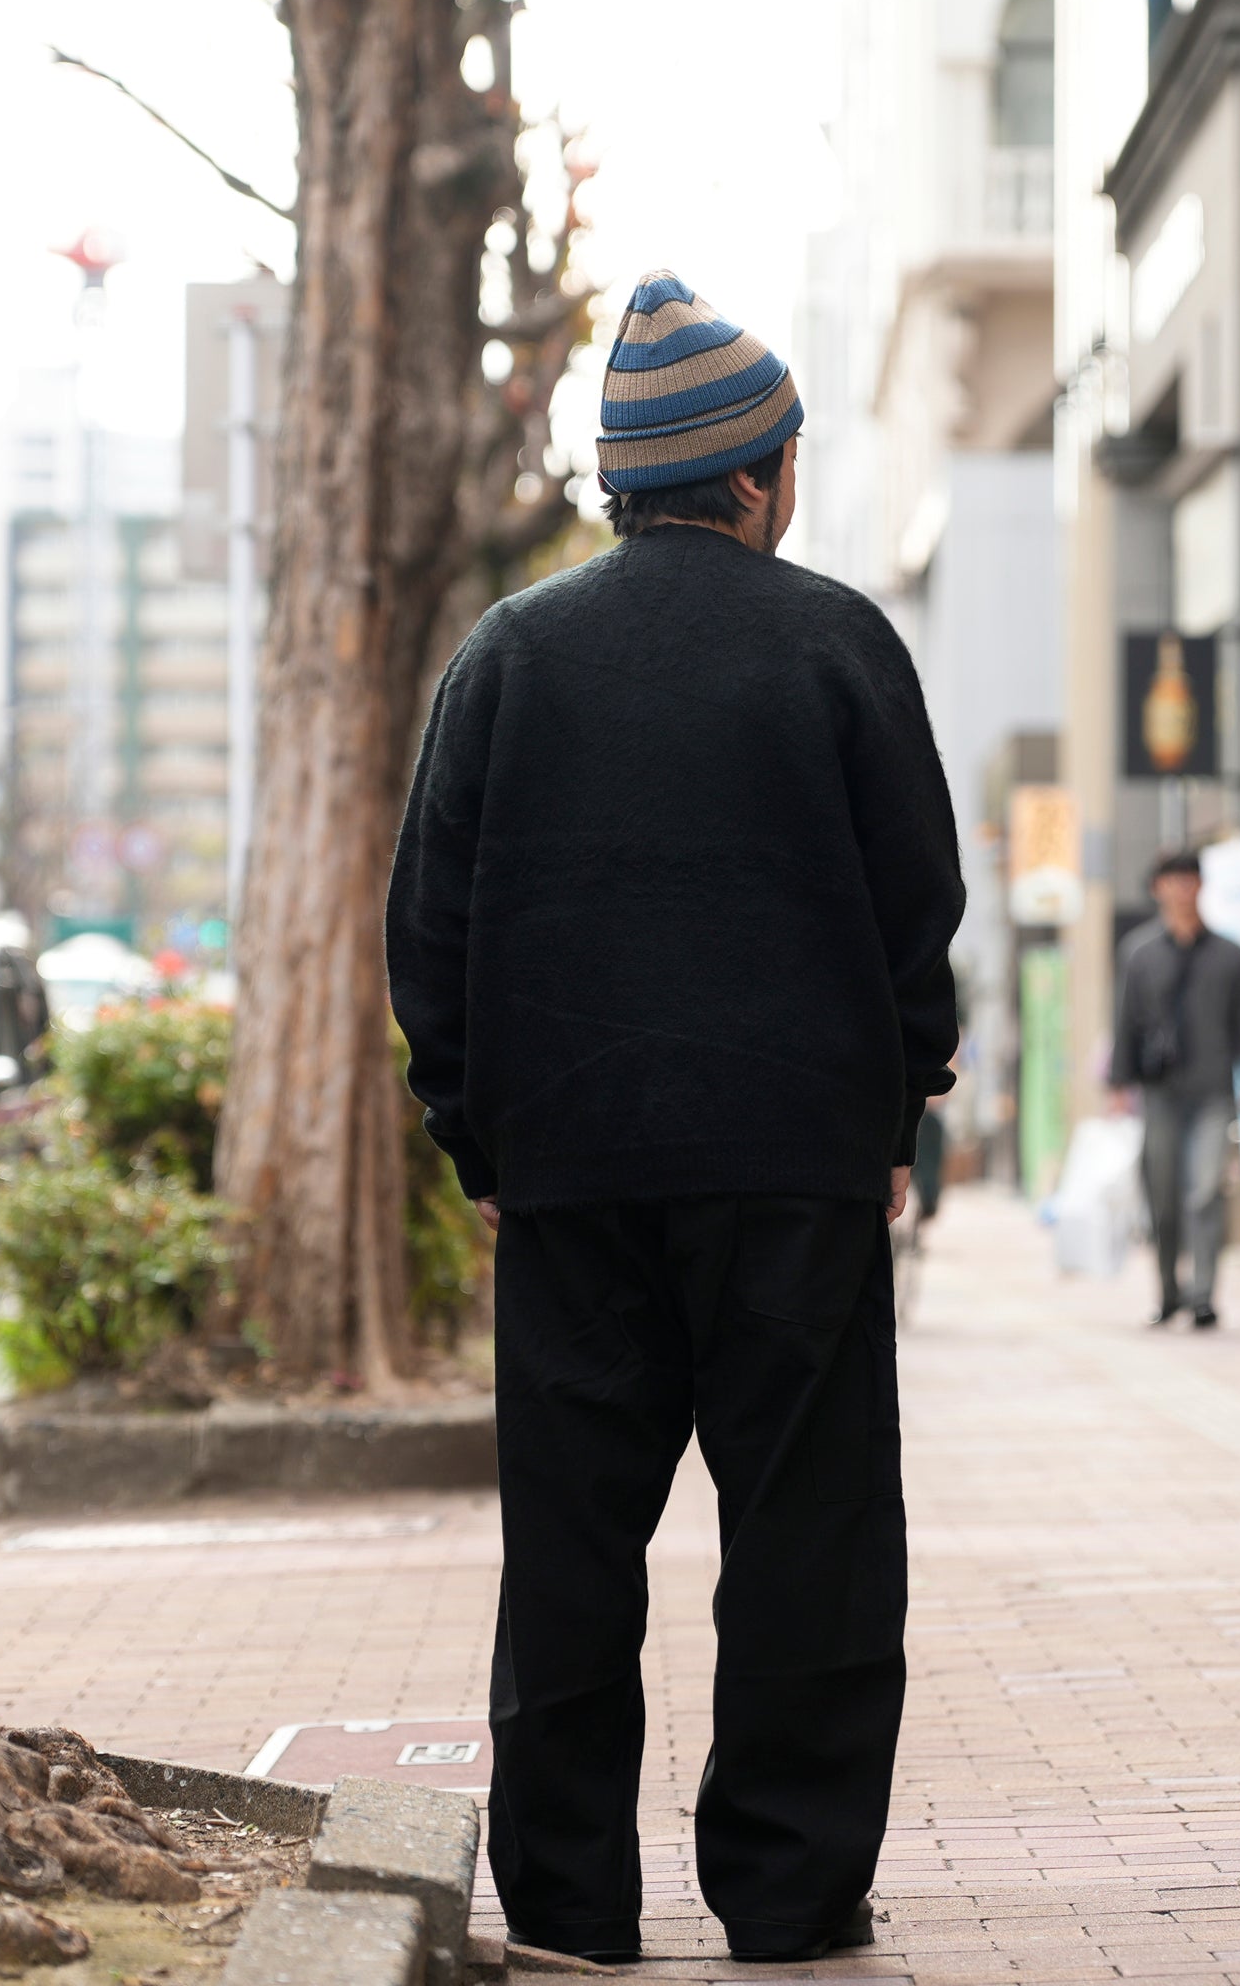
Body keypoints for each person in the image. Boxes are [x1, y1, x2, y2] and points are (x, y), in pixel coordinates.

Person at [386, 272, 965, 1968]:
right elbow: (909, 910)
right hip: (791, 1171)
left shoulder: (508, 654)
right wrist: (893, 1110)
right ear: (758, 472)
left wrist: (478, 1136)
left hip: (571, 1175)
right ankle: (788, 1892)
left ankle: (570, 1901)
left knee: (572, 1543)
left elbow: (431, 928)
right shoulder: (838, 642)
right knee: (809, 1538)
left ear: (620, 483)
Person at [1108, 849, 1240, 1330]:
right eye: (1172, 880)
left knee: (1204, 1190)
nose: (1182, 888)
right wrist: (1119, 1083)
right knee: (1161, 1195)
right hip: (1159, 1092)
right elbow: (1126, 1022)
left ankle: (1203, 1295)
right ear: (1157, 888)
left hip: (1213, 1090)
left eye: (1190, 879)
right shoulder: (1139, 953)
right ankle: (1168, 1293)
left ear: (1201, 886)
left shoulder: (1230, 954)